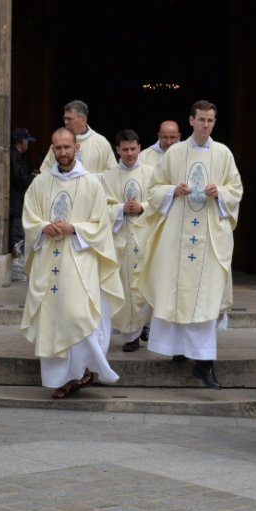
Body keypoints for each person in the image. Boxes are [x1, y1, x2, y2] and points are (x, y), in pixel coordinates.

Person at [138, 100, 242, 389]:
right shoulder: (175, 154)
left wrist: (219, 192)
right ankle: (179, 350)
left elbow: (236, 191)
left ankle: (205, 363)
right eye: (201, 120)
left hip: (209, 237)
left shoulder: (223, 154)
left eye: (211, 120)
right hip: (177, 237)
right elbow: (154, 189)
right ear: (191, 121)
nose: (206, 125)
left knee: (205, 296)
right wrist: (174, 190)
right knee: (175, 292)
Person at [21, 127, 124, 398]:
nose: (62, 153)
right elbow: (29, 218)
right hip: (48, 263)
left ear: (77, 148)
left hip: (79, 261)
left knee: (77, 315)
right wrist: (43, 227)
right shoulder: (41, 183)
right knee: (52, 318)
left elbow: (101, 224)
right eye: (57, 148)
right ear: (52, 150)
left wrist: (74, 229)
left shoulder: (91, 183)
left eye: (67, 147)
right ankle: (61, 379)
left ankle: (81, 372)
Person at [100, 129, 155, 351]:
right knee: (125, 287)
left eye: (133, 149)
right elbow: (101, 207)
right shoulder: (108, 177)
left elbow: (160, 202)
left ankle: (147, 327)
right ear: (117, 150)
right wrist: (121, 208)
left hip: (146, 238)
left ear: (140, 148)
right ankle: (130, 334)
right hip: (120, 239)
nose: (130, 154)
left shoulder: (153, 173)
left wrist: (143, 206)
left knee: (145, 285)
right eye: (125, 150)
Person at [39, 100, 115, 174]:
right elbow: (45, 171)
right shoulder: (59, 141)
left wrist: (88, 179)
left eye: (69, 119)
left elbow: (112, 174)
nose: (66, 122)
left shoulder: (101, 143)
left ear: (83, 120)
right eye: (64, 119)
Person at [10, 127, 36, 280]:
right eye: (27, 140)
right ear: (21, 141)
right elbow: (19, 179)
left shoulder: (19, 156)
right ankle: (17, 269)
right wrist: (34, 179)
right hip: (16, 202)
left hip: (19, 201)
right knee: (17, 236)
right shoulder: (14, 156)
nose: (28, 144)